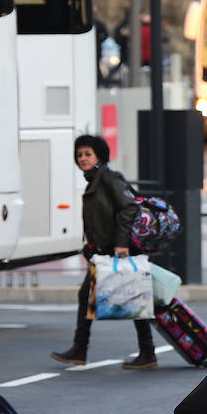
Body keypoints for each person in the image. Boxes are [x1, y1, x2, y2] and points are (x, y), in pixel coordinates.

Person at [49, 135, 157, 370]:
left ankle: (143, 351)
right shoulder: (95, 180)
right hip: (105, 251)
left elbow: (130, 206)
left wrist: (121, 243)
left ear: (99, 155)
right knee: (127, 296)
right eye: (79, 155)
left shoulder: (108, 178)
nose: (83, 159)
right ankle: (83, 349)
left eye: (88, 154)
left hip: (117, 250)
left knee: (132, 296)